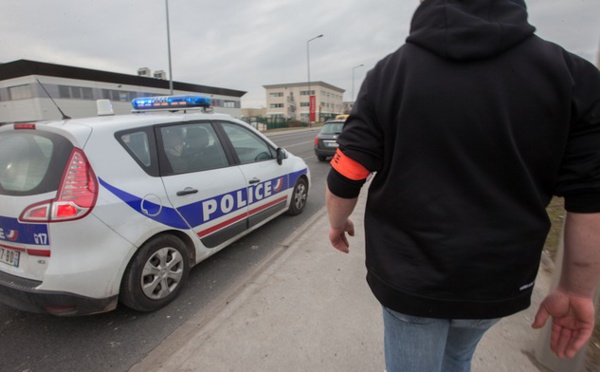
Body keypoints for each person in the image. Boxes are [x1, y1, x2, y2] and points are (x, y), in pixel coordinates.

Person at [325, 0, 600, 371]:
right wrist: (576, 290)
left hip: (410, 276)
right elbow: (590, 197)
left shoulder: (389, 74)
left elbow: (347, 172)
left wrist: (337, 223)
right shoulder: (572, 76)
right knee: (458, 357)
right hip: (499, 279)